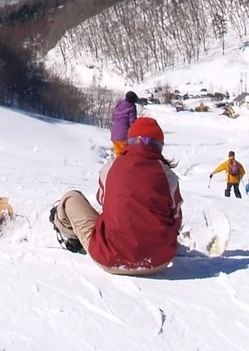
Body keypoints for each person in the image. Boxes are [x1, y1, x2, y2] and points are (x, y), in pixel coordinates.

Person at [49, 117, 183, 277]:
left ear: (130, 140)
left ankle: (70, 234)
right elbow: (176, 220)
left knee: (71, 198)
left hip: (111, 258)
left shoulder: (113, 165)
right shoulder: (169, 176)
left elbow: (102, 200)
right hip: (159, 262)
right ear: (159, 146)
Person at [110, 91, 139, 157]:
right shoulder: (131, 107)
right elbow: (132, 122)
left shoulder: (119, 105)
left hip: (114, 135)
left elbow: (113, 117)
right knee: (126, 156)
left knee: (118, 156)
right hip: (124, 136)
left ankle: (118, 166)